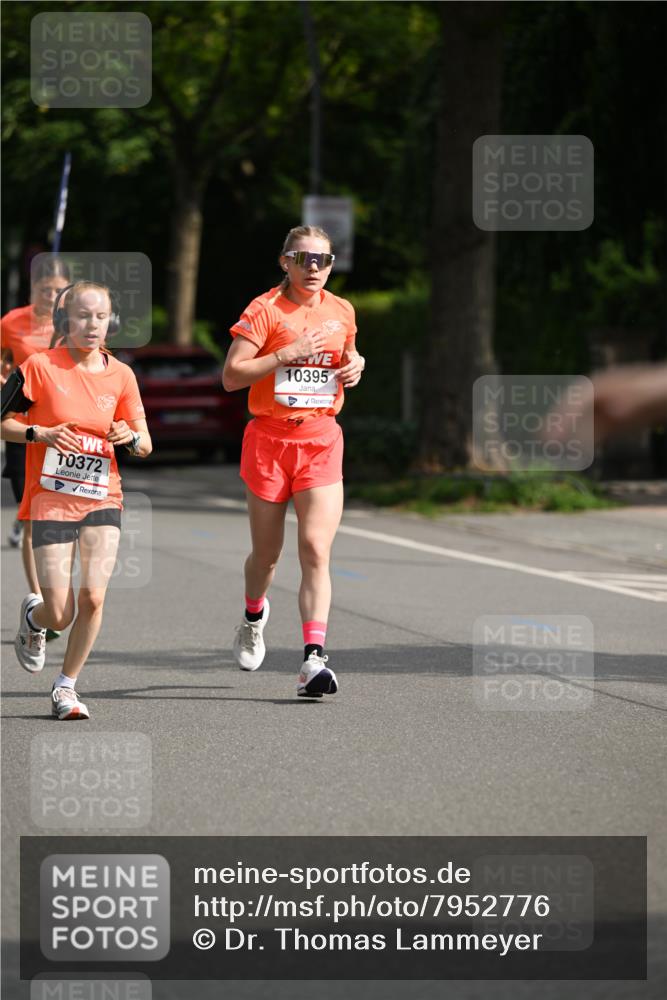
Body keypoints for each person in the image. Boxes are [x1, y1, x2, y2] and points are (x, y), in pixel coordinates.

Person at [223, 225, 365, 697]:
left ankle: (312, 659)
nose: (314, 268)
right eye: (303, 259)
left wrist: (356, 365)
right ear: (284, 261)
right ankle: (252, 614)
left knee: (316, 548)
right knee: (267, 556)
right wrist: (285, 354)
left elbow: (348, 357)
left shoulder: (341, 310)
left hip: (321, 438)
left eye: (322, 260)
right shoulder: (264, 310)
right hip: (268, 441)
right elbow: (231, 377)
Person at [0, 281, 152, 720]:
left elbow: (145, 445)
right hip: (50, 498)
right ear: (66, 321)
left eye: (101, 317)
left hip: (103, 494)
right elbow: (2, 420)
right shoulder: (39, 367)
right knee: (61, 613)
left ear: (110, 322)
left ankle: (66, 687)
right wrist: (39, 433)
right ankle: (35, 619)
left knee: (94, 598)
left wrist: (130, 437)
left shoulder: (121, 375)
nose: (92, 325)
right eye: (83, 316)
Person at [1, 256, 71, 641]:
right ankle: (39, 598)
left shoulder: (72, 324)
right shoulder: (13, 322)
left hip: (61, 434)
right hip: (23, 432)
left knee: (59, 522)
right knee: (30, 520)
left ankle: (53, 597)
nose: (51, 296)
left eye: (58, 290)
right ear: (33, 291)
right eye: (44, 290)